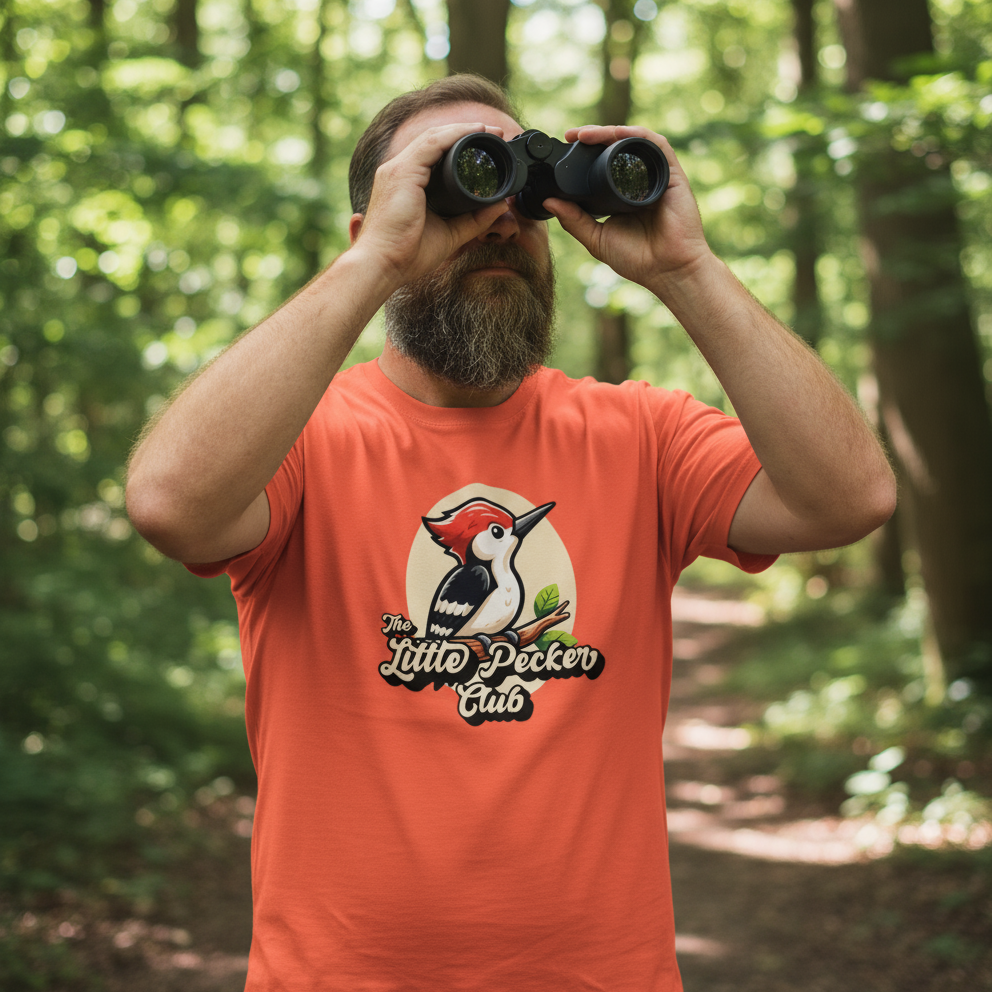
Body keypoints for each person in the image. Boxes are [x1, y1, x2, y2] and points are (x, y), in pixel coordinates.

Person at [126, 74, 895, 991]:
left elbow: (849, 497)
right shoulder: (298, 439)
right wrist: (374, 263)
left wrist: (687, 269)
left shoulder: (640, 435)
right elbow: (171, 504)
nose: (496, 224)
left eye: (519, 198)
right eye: (454, 189)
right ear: (373, 227)